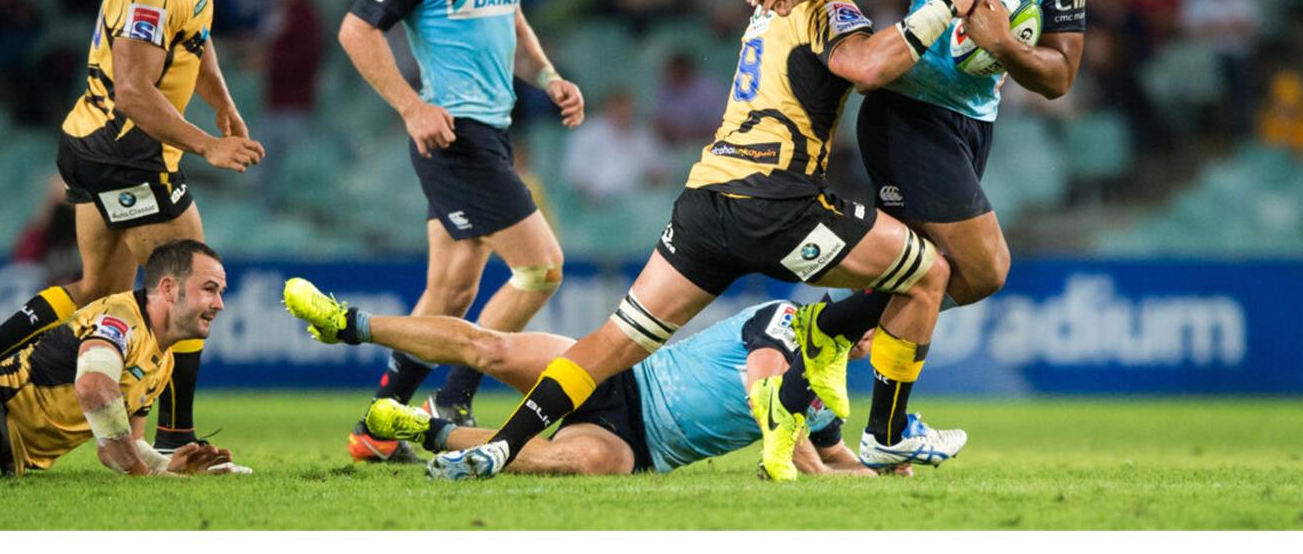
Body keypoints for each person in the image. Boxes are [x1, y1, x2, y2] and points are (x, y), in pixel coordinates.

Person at [434, 0, 972, 483]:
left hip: (706, 202)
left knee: (614, 340)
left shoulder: (764, 13)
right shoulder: (828, 8)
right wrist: (944, 6)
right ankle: (884, 431)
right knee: (930, 272)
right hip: (779, 202)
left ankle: (501, 446)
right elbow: (867, 67)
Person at [0, 0, 264, 460]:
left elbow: (197, 36)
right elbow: (132, 90)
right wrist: (208, 145)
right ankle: (176, 435)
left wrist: (222, 103)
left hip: (97, 144)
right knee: (191, 279)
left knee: (97, 287)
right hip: (123, 151)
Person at [745, 0, 1087, 318]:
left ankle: (829, 340)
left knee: (923, 275)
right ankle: (823, 329)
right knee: (986, 269)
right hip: (907, 113)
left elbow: (1060, 77)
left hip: (974, 125)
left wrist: (1003, 45)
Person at [336, 0, 584, 462]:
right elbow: (356, 31)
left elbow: (513, 22)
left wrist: (549, 77)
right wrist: (412, 106)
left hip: (492, 133)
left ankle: (378, 425)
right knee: (541, 268)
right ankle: (454, 398)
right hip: (454, 136)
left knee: (449, 293)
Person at [282, 278, 919, 477]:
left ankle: (422, 430)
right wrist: (814, 465)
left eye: (879, 335)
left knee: (576, 461)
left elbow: (833, 456)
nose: (873, 339)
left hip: (640, 446)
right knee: (492, 349)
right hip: (623, 375)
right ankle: (351, 322)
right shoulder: (784, 319)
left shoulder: (829, 391)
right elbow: (766, 388)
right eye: (870, 325)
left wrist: (879, 472)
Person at [0, 240, 242, 476]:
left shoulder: (164, 361)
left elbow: (120, 444)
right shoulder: (121, 318)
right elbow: (93, 386)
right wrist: (142, 473)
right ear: (169, 288)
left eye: (220, 292)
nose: (220, 304)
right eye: (209, 289)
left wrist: (166, 464)